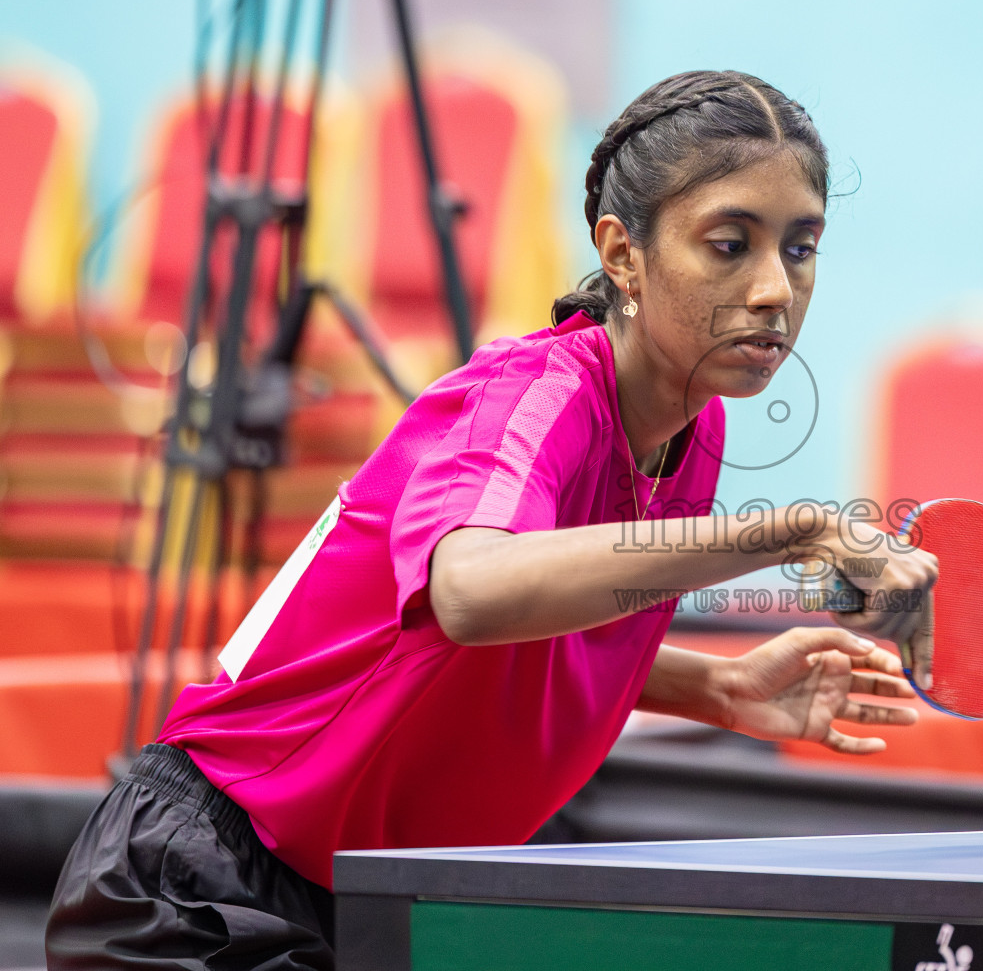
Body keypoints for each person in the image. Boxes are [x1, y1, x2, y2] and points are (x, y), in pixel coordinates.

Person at [44, 69, 937, 969]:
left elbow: (516, 631)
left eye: (801, 248)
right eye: (730, 244)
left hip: (370, 901)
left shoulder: (694, 431)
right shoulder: (529, 394)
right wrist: (794, 530)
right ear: (623, 254)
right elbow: (470, 596)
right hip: (204, 885)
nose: (776, 288)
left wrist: (718, 688)